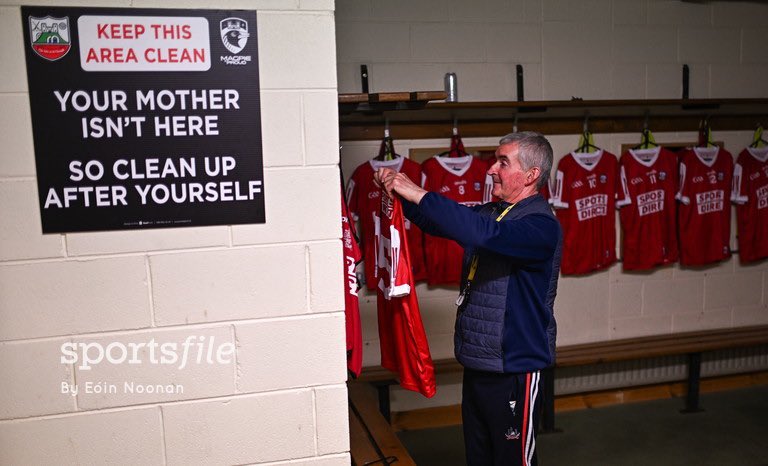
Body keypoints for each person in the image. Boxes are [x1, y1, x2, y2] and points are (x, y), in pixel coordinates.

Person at [375, 131, 562, 466]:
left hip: (515, 367)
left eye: (503, 162)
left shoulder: (540, 225)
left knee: (511, 460)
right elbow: (444, 222)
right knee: (479, 456)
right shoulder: (495, 212)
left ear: (531, 175)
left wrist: (418, 191)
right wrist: (401, 196)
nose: (491, 169)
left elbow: (485, 235)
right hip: (479, 360)